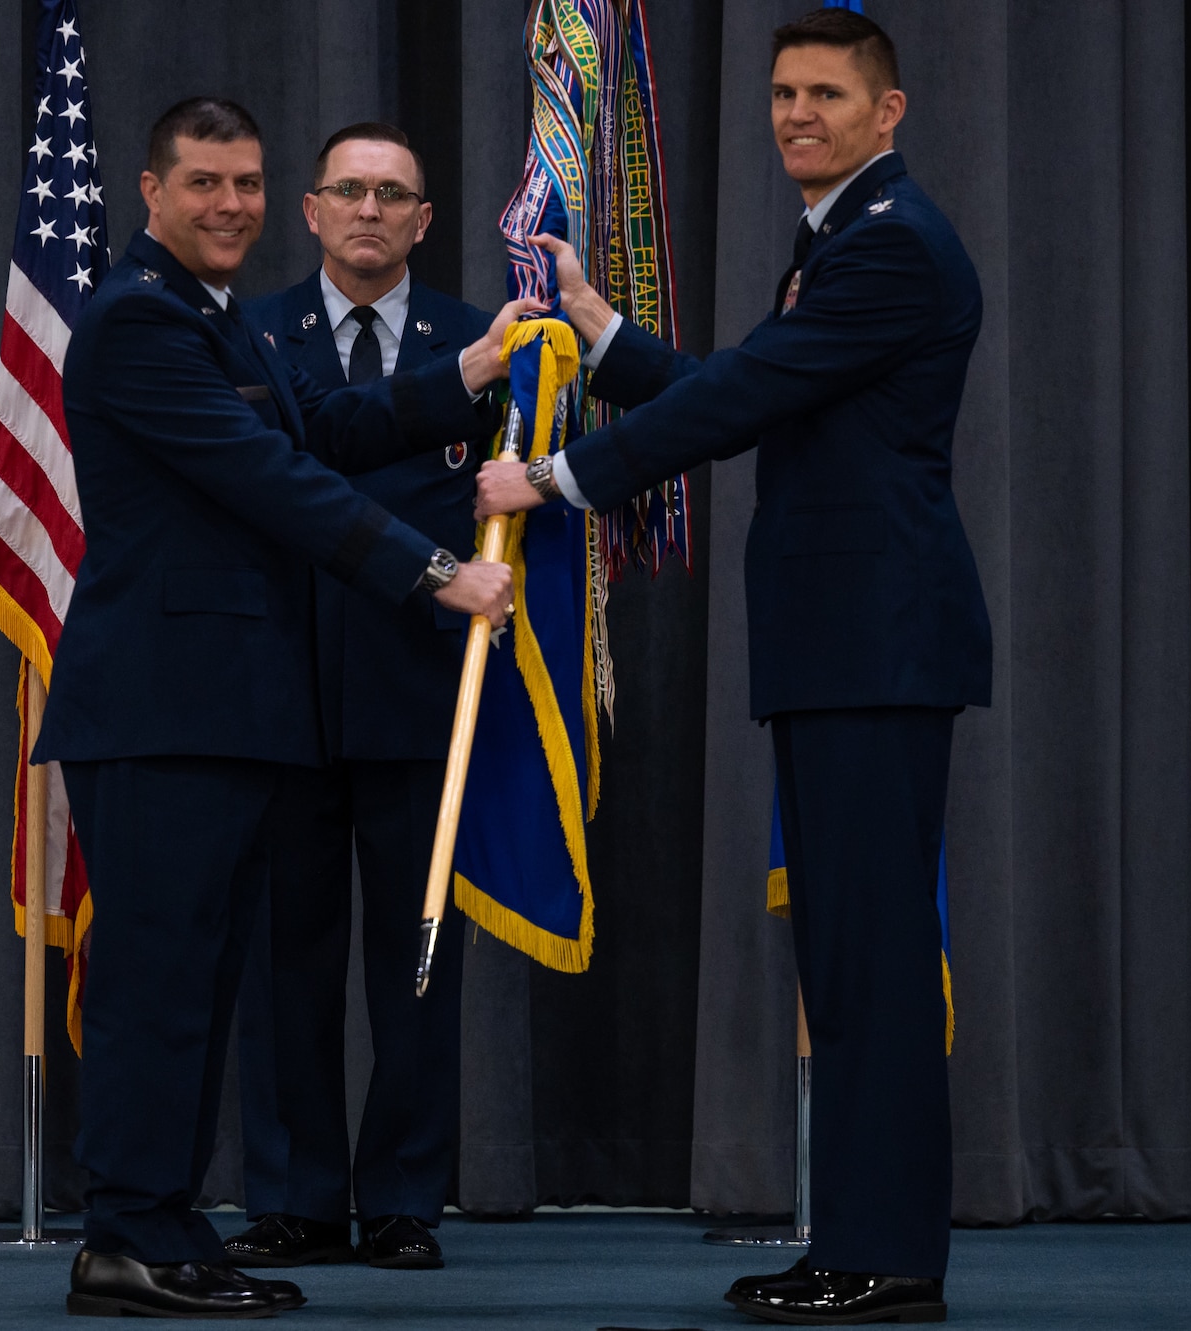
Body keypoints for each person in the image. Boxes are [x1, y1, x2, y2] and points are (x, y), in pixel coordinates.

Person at [475, 10, 990, 1325]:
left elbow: (741, 400)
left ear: (891, 113)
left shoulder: (891, 249)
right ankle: (858, 1243)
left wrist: (555, 476)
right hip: (841, 646)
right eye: (781, 94)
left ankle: (888, 1256)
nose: (795, 114)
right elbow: (753, 383)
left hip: (874, 645)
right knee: (845, 954)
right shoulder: (844, 242)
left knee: (871, 959)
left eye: (827, 92)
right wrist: (595, 320)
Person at [33, 96, 536, 1320]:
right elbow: (277, 480)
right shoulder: (139, 321)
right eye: (204, 182)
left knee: (194, 986)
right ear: (150, 191)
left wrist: (461, 374)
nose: (230, 205)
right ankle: (122, 1238)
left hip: (216, 715)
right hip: (160, 711)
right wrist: (437, 571)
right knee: (158, 984)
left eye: (247, 183)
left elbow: (334, 424)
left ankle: (156, 1224)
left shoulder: (219, 325)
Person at [223, 123, 493, 1274]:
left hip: (424, 686)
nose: (371, 210)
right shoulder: (247, 332)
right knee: (287, 958)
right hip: (279, 684)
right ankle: (292, 1193)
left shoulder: (485, 338)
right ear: (312, 210)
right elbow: (286, 466)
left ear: (423, 221)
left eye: (394, 194)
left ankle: (402, 1198)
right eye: (350, 190)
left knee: (417, 960)